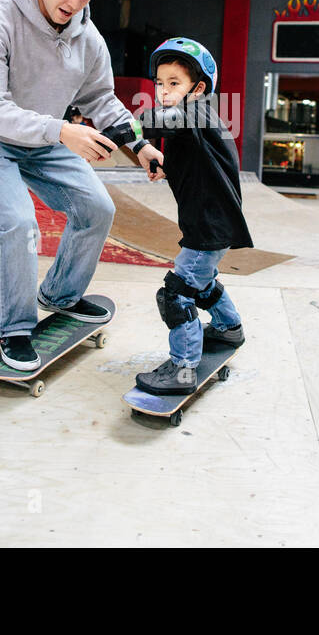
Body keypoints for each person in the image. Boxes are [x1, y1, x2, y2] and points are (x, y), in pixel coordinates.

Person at [0, 0, 164, 371]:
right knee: (19, 222)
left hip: (42, 137)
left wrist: (137, 143)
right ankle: (14, 328)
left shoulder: (89, 37)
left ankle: (60, 294)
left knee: (97, 208)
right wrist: (63, 131)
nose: (74, 3)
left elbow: (101, 97)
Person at [131, 37, 253, 396]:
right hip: (212, 226)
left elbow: (148, 120)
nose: (164, 92)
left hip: (206, 230)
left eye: (174, 84)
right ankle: (230, 329)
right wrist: (167, 168)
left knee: (177, 294)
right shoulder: (194, 123)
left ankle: (183, 368)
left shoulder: (196, 112)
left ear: (198, 89)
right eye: (159, 83)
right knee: (203, 284)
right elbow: (201, 167)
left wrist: (127, 131)